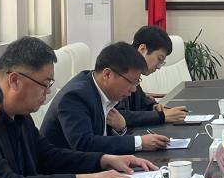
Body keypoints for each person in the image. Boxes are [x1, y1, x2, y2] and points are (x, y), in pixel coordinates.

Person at [0, 37, 159, 178]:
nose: (48, 92)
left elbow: (48, 156)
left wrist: (104, 160)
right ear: (14, 81)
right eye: (45, 84)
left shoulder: (20, 114)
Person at [40, 42, 170, 154]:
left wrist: (122, 130)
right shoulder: (75, 96)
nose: (133, 89)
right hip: (67, 172)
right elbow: (84, 144)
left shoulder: (101, 90)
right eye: (131, 82)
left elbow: (104, 137)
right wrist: (139, 142)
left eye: (137, 82)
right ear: (107, 74)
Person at [117, 26, 188, 127]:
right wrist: (161, 116)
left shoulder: (133, 71)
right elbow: (120, 116)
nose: (159, 67)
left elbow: (142, 102)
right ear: (142, 50)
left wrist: (153, 106)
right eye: (159, 59)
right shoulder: (120, 71)